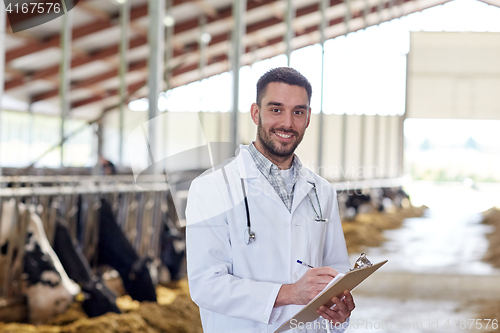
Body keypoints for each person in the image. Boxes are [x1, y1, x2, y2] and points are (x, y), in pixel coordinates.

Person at [186, 67, 354, 333]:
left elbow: (335, 273)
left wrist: (339, 309)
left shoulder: (322, 191)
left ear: (308, 118)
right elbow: (206, 285)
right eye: (276, 109)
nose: (287, 123)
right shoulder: (212, 187)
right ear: (256, 113)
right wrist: (289, 293)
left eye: (298, 112)